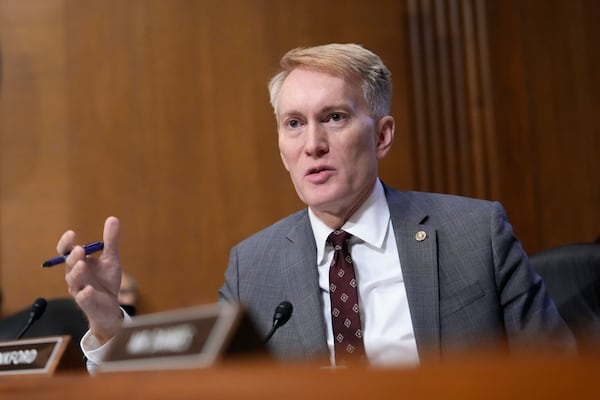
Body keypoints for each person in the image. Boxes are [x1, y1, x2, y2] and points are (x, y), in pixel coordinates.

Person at [58, 43, 575, 369]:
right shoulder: (253, 266)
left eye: (333, 117)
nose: (313, 144)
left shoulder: (473, 233)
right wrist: (109, 327)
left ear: (383, 134)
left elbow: (559, 374)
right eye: (294, 123)